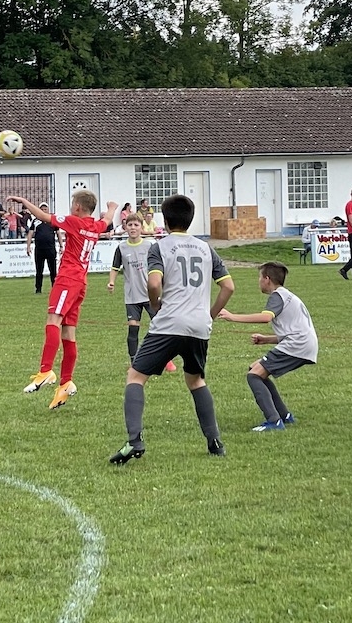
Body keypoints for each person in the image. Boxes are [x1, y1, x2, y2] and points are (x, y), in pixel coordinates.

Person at [109, 194, 235, 465]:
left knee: (135, 376)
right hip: (199, 326)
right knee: (196, 381)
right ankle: (214, 442)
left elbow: (154, 283)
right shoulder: (205, 248)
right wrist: (209, 315)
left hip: (169, 322)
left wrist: (155, 305)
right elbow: (228, 287)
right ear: (190, 220)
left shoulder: (160, 247)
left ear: (165, 221)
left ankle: (134, 441)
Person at [9, 191, 117, 408]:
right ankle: (66, 383)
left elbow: (43, 216)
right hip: (81, 282)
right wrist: (112, 207)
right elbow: (107, 220)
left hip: (68, 279)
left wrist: (24, 201)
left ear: (77, 207)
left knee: (53, 320)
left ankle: (46, 371)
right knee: (69, 332)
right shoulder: (95, 226)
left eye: (72, 203)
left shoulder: (73, 222)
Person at [218, 261, 318, 431]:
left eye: (260, 277)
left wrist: (232, 316)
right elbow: (294, 329)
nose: (258, 281)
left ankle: (274, 421)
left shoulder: (277, 296)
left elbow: (265, 318)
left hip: (297, 345)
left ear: (267, 279)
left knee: (253, 376)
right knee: (256, 369)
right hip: (302, 343)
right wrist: (267, 339)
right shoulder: (288, 296)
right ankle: (284, 415)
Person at [107, 213, 176, 372]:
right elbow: (115, 267)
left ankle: (167, 360)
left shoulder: (150, 246)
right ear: (125, 227)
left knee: (160, 326)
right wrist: (111, 282)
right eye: (130, 225)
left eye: (136, 225)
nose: (133, 228)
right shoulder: (121, 248)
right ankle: (134, 363)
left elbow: (160, 267)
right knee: (133, 329)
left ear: (141, 228)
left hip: (150, 294)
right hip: (132, 296)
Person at [25, 201, 62, 294]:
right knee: (39, 270)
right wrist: (28, 246)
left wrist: (61, 245)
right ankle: (38, 289)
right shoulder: (35, 221)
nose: (43, 211)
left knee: (53, 270)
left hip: (50, 249)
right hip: (39, 249)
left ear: (48, 210)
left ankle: (55, 288)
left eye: (45, 209)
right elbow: (30, 234)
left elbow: (58, 233)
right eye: (42, 209)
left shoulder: (52, 220)